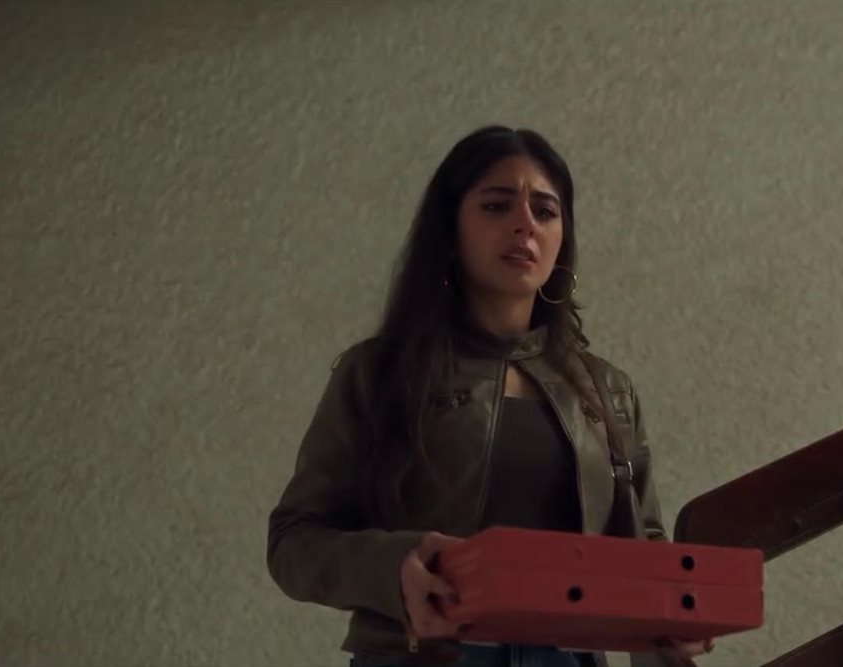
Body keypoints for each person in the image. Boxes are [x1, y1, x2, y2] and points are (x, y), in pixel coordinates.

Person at [267, 126, 713, 667]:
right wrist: (393, 567)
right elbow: (294, 541)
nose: (525, 224)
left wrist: (674, 618)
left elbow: (643, 543)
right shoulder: (381, 374)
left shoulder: (606, 390)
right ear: (451, 231)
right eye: (497, 206)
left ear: (563, 241)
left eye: (545, 211)